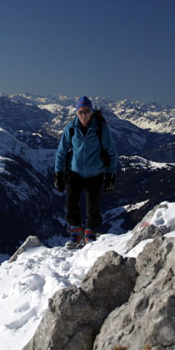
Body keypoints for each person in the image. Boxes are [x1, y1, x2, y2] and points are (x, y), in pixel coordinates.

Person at [54, 95, 117, 248]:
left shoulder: (100, 128)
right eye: (81, 112)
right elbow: (61, 152)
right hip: (75, 171)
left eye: (87, 111)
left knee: (92, 205)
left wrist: (110, 175)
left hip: (95, 172)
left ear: (91, 112)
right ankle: (76, 233)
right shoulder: (70, 128)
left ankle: (90, 233)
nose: (84, 115)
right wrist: (59, 174)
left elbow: (111, 152)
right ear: (76, 113)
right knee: (71, 202)